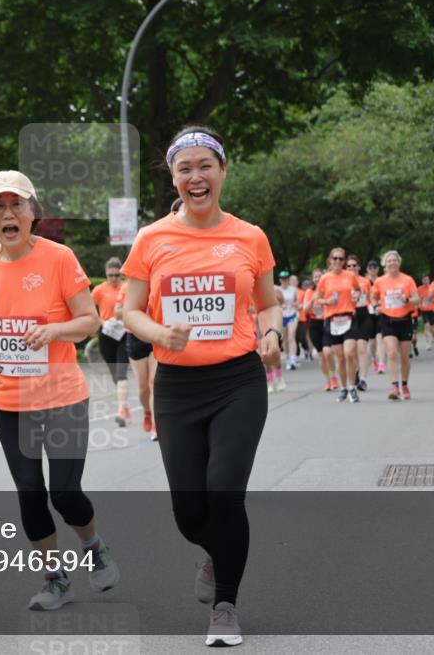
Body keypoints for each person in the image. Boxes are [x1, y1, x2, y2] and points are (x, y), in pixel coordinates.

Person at [122, 126, 281, 647]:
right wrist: (159, 331)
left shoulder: (249, 236)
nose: (196, 176)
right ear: (173, 176)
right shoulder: (151, 239)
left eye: (204, 166)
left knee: (225, 492)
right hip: (177, 387)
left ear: (222, 170)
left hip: (237, 380)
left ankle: (226, 606)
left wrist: (274, 333)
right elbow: (129, 311)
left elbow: (270, 301)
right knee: (190, 510)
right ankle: (215, 550)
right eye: (184, 168)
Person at [0, 170, 119, 611]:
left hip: (62, 398)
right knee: (29, 491)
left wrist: (53, 330)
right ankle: (56, 580)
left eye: (16, 204)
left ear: (32, 212)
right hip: (10, 401)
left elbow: (90, 321)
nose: (7, 213)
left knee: (64, 491)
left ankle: (93, 545)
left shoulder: (59, 258)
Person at [371, 250, 421, 400]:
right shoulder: (380, 281)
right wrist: (375, 307)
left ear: (399, 263)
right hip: (387, 320)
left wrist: (406, 299)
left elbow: (417, 299)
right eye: (389, 261)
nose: (392, 263)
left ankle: (404, 385)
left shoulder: (407, 280)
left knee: (404, 357)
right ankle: (394, 386)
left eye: (394, 260)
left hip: (405, 320)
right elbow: (372, 297)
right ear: (385, 264)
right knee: (391, 353)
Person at [314, 247, 362, 403]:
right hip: (332, 320)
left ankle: (353, 387)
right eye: (335, 258)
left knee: (349, 353)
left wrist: (356, 296)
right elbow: (318, 298)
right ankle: (343, 388)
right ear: (330, 260)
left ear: (344, 261)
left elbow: (357, 290)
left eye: (341, 259)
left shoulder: (350, 276)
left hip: (348, 317)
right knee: (339, 358)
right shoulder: (325, 278)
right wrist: (327, 301)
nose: (338, 261)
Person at [115, 282, 157, 441]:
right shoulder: (128, 287)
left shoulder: (157, 281)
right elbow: (117, 313)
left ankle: (155, 423)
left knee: (154, 382)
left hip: (155, 335)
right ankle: (147, 412)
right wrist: (134, 309)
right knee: (143, 387)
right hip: (135, 337)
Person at [92, 258, 130, 425]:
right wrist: (102, 322)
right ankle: (125, 405)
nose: (113, 278)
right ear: (106, 274)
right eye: (110, 275)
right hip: (106, 333)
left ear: (121, 273)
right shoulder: (99, 290)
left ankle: (122, 411)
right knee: (115, 373)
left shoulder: (127, 287)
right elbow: (88, 309)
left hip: (124, 333)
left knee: (121, 372)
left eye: (117, 275)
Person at [304, 268, 337, 391]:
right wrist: (313, 299)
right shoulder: (309, 292)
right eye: (315, 277)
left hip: (327, 322)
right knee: (321, 355)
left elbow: (335, 304)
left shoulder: (328, 290)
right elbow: (306, 310)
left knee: (328, 352)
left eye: (320, 276)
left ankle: (334, 376)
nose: (318, 279)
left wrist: (326, 302)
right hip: (314, 324)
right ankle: (328, 380)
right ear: (313, 279)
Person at [345, 255, 372, 391]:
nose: (351, 268)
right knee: (351, 350)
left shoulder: (365, 281)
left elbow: (371, 298)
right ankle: (354, 371)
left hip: (363, 314)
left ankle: (363, 379)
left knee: (362, 347)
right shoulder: (343, 281)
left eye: (354, 265)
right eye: (349, 266)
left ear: (359, 267)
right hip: (349, 316)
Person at [366, 259, 386, 374]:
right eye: (370, 267)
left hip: (380, 311)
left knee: (381, 338)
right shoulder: (364, 282)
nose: (372, 270)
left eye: (374, 267)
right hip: (369, 313)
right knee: (372, 341)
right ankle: (374, 358)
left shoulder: (382, 281)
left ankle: (382, 363)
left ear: (378, 269)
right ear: (367, 269)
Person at [280, 271, 299, 370]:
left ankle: (293, 359)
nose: (285, 281)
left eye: (286, 279)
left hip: (292, 315)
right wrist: (281, 306)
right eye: (283, 279)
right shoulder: (278, 290)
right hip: (282, 316)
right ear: (280, 280)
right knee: (284, 339)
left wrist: (295, 304)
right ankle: (287, 357)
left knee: (291, 336)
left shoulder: (293, 289)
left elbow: (298, 302)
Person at [417, 275, 434, 351]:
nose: (425, 281)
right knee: (427, 326)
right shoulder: (419, 289)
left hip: (432, 310)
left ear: (429, 280)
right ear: (422, 281)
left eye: (427, 280)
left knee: (432, 327)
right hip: (424, 310)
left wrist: (433, 300)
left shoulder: (432, 288)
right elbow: (417, 299)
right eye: (424, 280)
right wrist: (419, 304)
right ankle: (427, 342)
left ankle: (433, 337)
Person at [295, 277, 313, 362]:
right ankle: (297, 354)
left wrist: (301, 306)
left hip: (303, 317)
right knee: (295, 338)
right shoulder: (287, 293)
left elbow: (305, 302)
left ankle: (308, 350)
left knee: (303, 337)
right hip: (291, 318)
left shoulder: (302, 292)